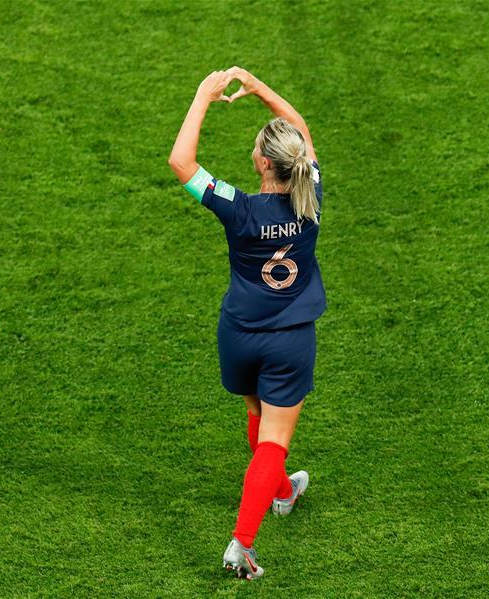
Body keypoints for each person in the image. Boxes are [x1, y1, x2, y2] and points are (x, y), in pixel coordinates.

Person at [167, 66, 326, 580]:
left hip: (238, 335)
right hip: (289, 342)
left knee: (259, 423)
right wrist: (259, 89)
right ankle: (241, 543)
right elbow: (298, 127)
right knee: (273, 441)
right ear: (295, 162)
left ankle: (282, 490)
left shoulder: (237, 208)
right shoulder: (312, 196)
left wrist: (203, 96)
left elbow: (181, 161)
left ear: (259, 163)